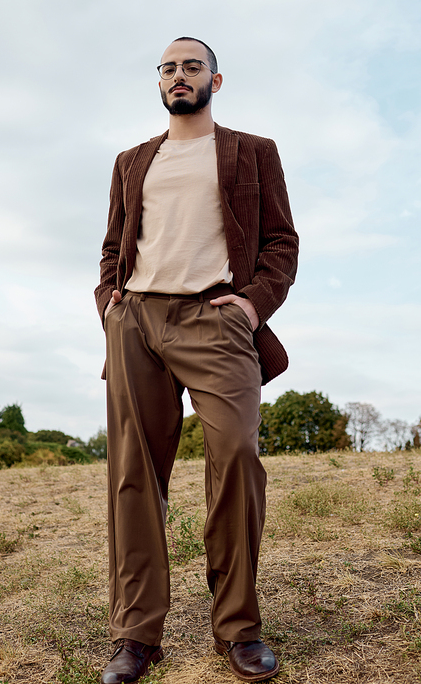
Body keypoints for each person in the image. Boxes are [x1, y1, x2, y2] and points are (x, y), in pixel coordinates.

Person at [94, 37, 298, 684]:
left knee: (236, 454)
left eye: (191, 66)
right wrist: (109, 305)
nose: (178, 76)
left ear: (215, 79)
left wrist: (252, 306)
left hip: (216, 320)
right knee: (133, 477)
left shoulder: (253, 152)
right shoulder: (132, 161)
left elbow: (280, 243)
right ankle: (136, 636)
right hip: (138, 323)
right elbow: (110, 249)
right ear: (160, 83)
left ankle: (237, 628)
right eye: (168, 68)